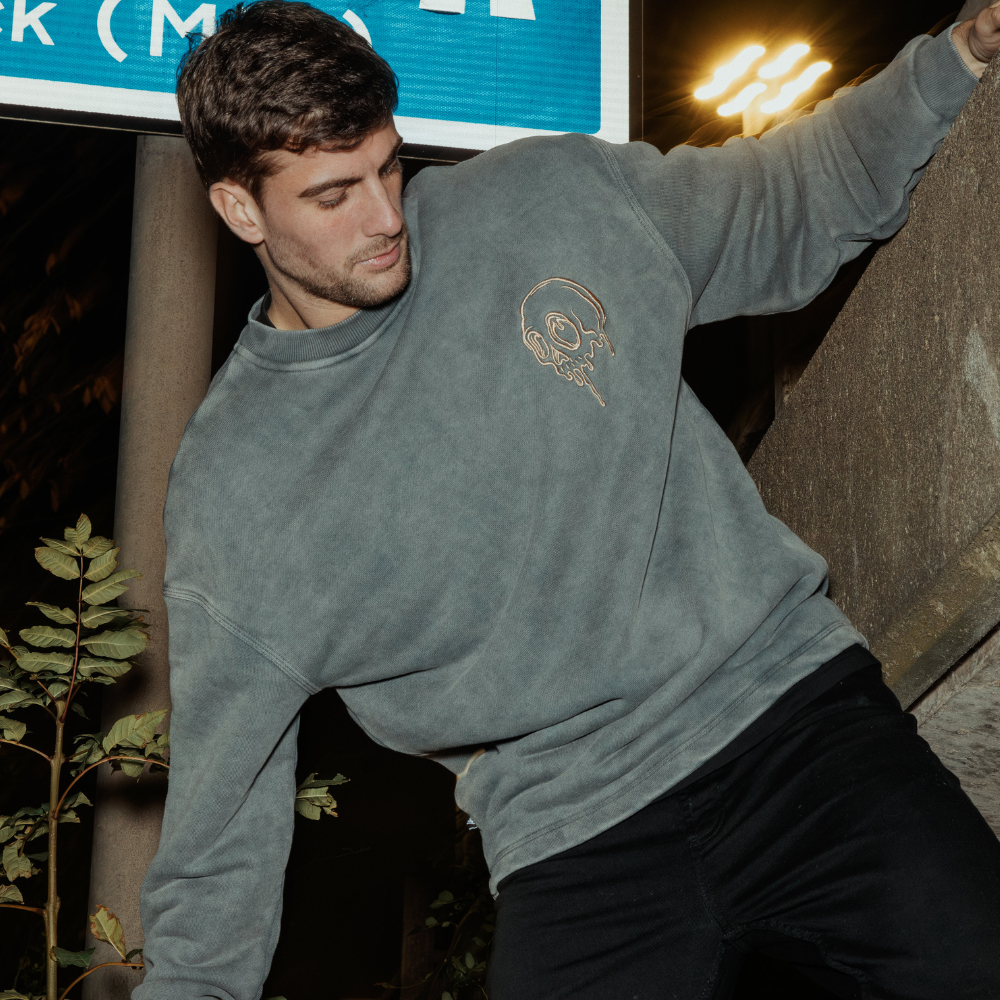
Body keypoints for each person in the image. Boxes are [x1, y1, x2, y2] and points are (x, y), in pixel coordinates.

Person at [134, 3, 1000, 998]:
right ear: (241, 210)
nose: (384, 218)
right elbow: (219, 836)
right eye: (334, 194)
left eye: (388, 167)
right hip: (570, 833)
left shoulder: (544, 200)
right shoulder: (238, 491)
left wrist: (948, 63)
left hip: (788, 722)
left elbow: (791, 195)